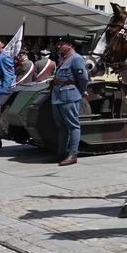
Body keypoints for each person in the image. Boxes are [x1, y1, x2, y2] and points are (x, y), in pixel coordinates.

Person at [49, 37, 90, 166]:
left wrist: (81, 91)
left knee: (73, 125)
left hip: (69, 95)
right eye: (59, 44)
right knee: (61, 127)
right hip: (58, 96)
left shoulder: (76, 58)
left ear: (70, 46)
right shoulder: (63, 58)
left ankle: (73, 154)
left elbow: (83, 77)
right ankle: (61, 153)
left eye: (62, 44)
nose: (59, 46)